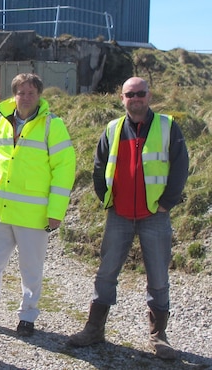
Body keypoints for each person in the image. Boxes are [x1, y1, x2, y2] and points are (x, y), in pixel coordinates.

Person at [68, 77, 189, 360]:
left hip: (155, 215)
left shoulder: (167, 126)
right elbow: (99, 166)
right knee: (106, 273)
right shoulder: (112, 129)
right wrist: (106, 198)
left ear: (149, 96)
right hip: (119, 214)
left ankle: (159, 337)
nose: (136, 98)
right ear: (121, 98)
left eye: (141, 93)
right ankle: (94, 328)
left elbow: (180, 166)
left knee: (158, 276)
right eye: (129, 94)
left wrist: (167, 203)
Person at [0, 73, 76, 337]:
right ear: (13, 95)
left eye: (31, 93)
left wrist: (56, 211)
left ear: (39, 96)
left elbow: (64, 169)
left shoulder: (53, 126)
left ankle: (27, 316)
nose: (26, 98)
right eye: (21, 93)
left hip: (33, 213)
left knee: (31, 268)